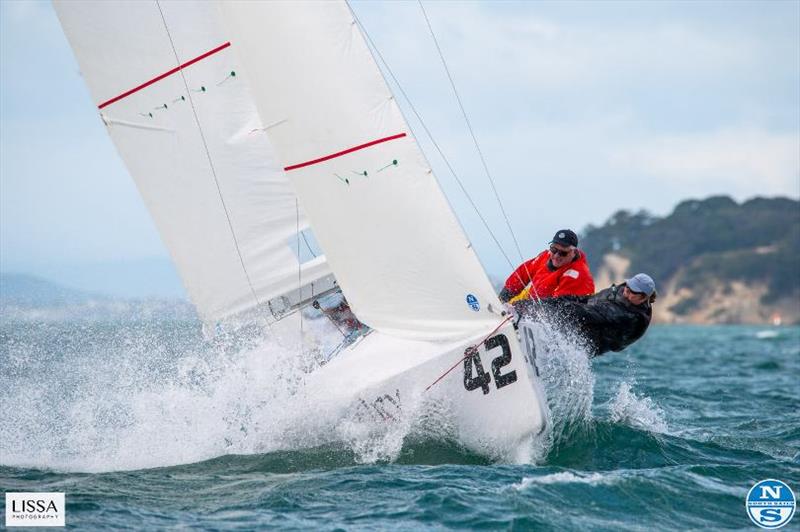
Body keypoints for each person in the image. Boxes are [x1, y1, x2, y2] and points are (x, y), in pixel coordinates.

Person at [515, 273, 657, 357]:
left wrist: (541, 311)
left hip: (594, 339)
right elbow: (588, 300)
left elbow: (586, 313)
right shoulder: (623, 291)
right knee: (564, 301)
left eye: (633, 292)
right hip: (593, 315)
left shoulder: (631, 317)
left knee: (569, 313)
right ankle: (519, 311)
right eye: (628, 287)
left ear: (644, 297)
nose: (627, 292)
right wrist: (532, 304)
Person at [498, 229, 595, 303]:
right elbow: (523, 273)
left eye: (563, 253)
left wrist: (522, 307)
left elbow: (559, 307)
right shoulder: (546, 256)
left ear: (574, 252)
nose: (556, 256)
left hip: (553, 318)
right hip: (532, 303)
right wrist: (503, 298)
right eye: (554, 249)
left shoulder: (576, 274)